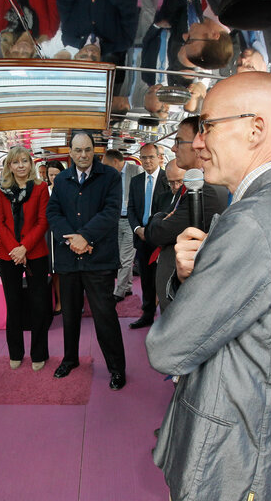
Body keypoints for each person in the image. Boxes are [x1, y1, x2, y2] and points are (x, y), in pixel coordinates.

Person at [145, 72, 271, 500]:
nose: (197, 143)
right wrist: (200, 275)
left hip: (234, 464)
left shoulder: (252, 222)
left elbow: (167, 348)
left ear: (255, 129)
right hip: (264, 451)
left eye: (208, 126)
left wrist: (194, 281)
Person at [46, 131, 126, 390]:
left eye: (87, 150)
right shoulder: (62, 180)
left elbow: (111, 212)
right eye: (78, 150)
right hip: (69, 260)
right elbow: (53, 212)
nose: (83, 155)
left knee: (105, 315)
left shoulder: (110, 177)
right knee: (69, 313)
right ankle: (70, 359)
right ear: (70, 152)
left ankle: (116, 369)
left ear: (95, 151)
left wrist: (86, 238)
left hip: (99, 259)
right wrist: (73, 241)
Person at [145, 116, 228, 314]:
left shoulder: (204, 190)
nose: (173, 149)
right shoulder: (191, 185)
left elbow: (159, 233)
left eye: (178, 142)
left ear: (200, 144)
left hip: (185, 301)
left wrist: (155, 218)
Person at [0, 147, 51, 371]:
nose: (20, 166)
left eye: (24, 161)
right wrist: (15, 249)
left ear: (31, 164)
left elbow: (43, 221)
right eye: (15, 162)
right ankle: (15, 352)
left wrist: (24, 247)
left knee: (38, 305)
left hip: (35, 253)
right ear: (9, 166)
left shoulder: (40, 187)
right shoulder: (1, 189)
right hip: (8, 255)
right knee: (13, 305)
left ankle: (39, 354)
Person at [126, 144, 169, 328]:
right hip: (142, 237)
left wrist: (152, 230)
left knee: (165, 277)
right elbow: (131, 209)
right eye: (143, 157)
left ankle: (168, 318)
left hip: (161, 237)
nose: (147, 161)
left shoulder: (169, 178)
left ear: (160, 157)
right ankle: (147, 314)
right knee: (146, 279)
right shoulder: (136, 181)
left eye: (151, 157)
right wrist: (137, 229)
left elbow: (169, 209)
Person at [100, 149, 142, 303]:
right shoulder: (109, 176)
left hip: (131, 220)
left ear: (115, 162)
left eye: (106, 165)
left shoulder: (136, 170)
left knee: (125, 258)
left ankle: (119, 292)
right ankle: (128, 286)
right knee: (119, 256)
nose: (104, 168)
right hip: (115, 221)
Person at [45, 160, 65, 314]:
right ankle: (58, 300)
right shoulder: (44, 191)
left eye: (56, 175)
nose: (53, 178)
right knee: (53, 269)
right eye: (50, 175)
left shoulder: (68, 190)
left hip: (64, 233)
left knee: (66, 268)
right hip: (48, 234)